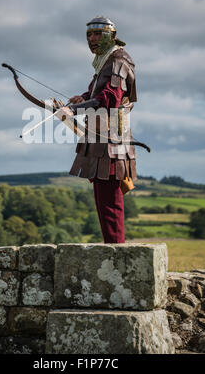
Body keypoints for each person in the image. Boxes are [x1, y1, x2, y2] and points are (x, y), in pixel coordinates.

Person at [60, 16, 138, 243]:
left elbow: (110, 99)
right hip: (102, 138)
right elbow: (96, 94)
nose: (92, 39)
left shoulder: (118, 60)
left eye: (97, 34)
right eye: (89, 35)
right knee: (103, 198)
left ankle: (116, 252)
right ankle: (112, 249)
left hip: (112, 139)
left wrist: (75, 109)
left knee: (109, 198)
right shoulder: (105, 61)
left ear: (111, 36)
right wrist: (81, 99)